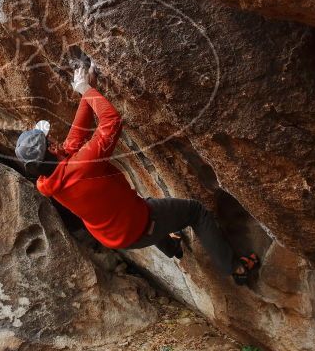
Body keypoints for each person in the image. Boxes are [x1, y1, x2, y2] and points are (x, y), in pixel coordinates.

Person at [15, 64, 259, 284]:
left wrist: (89, 89)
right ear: (49, 152)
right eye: (49, 142)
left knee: (146, 207)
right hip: (137, 224)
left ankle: (173, 246)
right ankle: (236, 269)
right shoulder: (81, 167)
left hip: (114, 232)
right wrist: (85, 90)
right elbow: (111, 122)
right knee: (195, 212)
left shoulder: (46, 180)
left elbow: (75, 137)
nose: (54, 140)